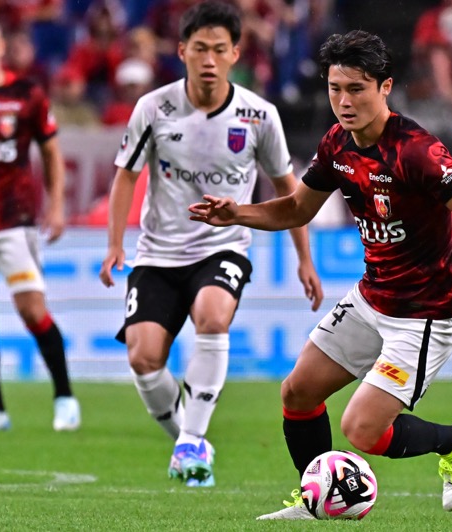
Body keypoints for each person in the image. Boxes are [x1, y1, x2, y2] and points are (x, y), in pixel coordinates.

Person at [189, 29, 452, 519]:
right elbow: (297, 208)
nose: (344, 100)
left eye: (357, 89)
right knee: (297, 391)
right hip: (371, 298)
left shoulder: (416, 151)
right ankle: (314, 495)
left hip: (423, 316)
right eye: (336, 88)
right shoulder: (337, 143)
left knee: (363, 430)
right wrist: (238, 214)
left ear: (385, 87)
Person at [98, 0, 323, 488]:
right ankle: (188, 438)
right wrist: (116, 244)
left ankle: (192, 441)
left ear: (235, 53)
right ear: (181, 50)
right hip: (158, 252)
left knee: (213, 316)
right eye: (199, 48)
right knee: (143, 357)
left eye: (219, 49)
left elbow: (290, 192)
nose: (208, 59)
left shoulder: (258, 115)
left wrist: (305, 259)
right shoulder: (153, 108)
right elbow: (124, 178)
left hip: (223, 245)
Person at [0, 14, 80, 432]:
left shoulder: (25, 93)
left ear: (1, 48)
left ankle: (65, 398)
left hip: (12, 221)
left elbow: (50, 153)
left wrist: (56, 207)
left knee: (31, 309)